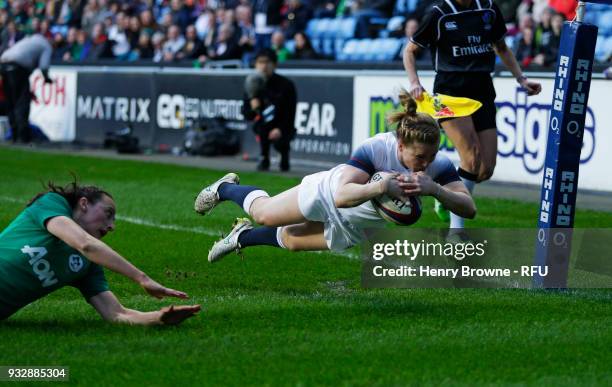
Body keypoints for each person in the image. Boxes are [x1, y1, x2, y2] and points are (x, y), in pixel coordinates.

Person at [195, 90, 476, 260]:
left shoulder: (437, 164)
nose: (426, 163)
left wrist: (436, 190)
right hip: (327, 193)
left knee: (291, 241)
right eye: (419, 157)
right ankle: (225, 188)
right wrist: (382, 187)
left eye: (431, 156)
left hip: (354, 224)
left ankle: (241, 237)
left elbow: (469, 208)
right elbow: (342, 195)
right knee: (265, 215)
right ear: (401, 146)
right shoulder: (376, 148)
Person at [403, 0, 541, 235]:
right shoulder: (439, 13)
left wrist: (522, 79)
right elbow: (410, 50)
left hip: (483, 88)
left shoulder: (488, 8)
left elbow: (502, 47)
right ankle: (456, 232)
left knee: (485, 169)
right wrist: (415, 83)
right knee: (472, 158)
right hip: (450, 91)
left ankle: (445, 192)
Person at [0, 181, 200, 325]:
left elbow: (116, 314)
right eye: (108, 214)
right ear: (84, 204)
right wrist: (142, 278)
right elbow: (86, 244)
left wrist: (159, 317)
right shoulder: (51, 203)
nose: (111, 226)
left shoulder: (87, 266)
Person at [242, 48, 297, 171]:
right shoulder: (252, 83)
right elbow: (246, 114)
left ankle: (284, 155)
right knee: (262, 127)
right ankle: (264, 157)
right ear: (255, 64)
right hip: (262, 125)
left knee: (281, 144)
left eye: (267, 62)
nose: (264, 66)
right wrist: (252, 106)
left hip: (282, 124)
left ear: (275, 64)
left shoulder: (286, 85)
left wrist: (280, 129)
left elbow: (290, 113)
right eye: (260, 62)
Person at [0, 33, 52, 144]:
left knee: (11, 103)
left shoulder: (28, 39)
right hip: (18, 68)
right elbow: (44, 67)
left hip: (3, 65)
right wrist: (47, 79)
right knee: (21, 104)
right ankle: (22, 137)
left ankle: (14, 136)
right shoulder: (46, 45)